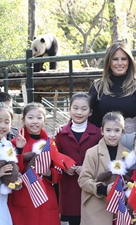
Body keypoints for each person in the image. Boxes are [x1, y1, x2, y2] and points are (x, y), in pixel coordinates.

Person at [89, 41, 136, 150]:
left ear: (129, 61)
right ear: (108, 62)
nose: (120, 63)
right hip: (104, 145)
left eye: (124, 59)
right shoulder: (97, 86)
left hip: (135, 147)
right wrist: (65, 128)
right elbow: (84, 113)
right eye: (115, 59)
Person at [8, 102, 61, 225]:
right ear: (23, 119)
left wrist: (49, 173)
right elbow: (14, 171)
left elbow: (59, 172)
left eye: (39, 118)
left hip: (46, 197)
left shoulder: (50, 143)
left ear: (44, 120)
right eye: (30, 117)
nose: (35, 121)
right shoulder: (14, 142)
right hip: (23, 196)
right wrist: (20, 151)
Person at [55, 92, 102, 225]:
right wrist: (64, 168)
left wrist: (86, 169)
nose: (79, 112)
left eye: (84, 109)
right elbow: (54, 158)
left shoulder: (98, 133)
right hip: (68, 190)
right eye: (75, 108)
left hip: (90, 191)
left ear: (91, 112)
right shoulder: (61, 134)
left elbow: (102, 158)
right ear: (69, 110)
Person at [78, 111, 129, 225]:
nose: (112, 134)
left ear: (122, 131)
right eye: (108, 130)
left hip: (118, 210)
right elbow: (83, 180)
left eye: (117, 130)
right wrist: (103, 189)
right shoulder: (92, 152)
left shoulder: (127, 154)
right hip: (96, 207)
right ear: (102, 131)